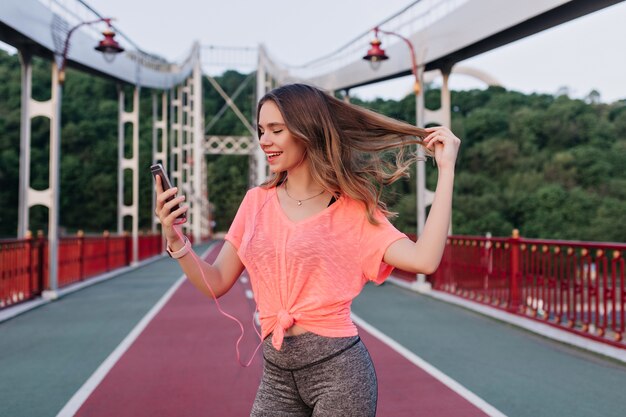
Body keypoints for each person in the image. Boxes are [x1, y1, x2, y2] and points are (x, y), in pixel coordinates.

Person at [154, 83, 460, 417]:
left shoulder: (352, 211)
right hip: (276, 375)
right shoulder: (255, 202)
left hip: (339, 375)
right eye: (260, 130)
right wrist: (175, 239)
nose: (264, 141)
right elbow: (215, 281)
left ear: (307, 131)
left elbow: (424, 260)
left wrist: (446, 170)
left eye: (276, 130)